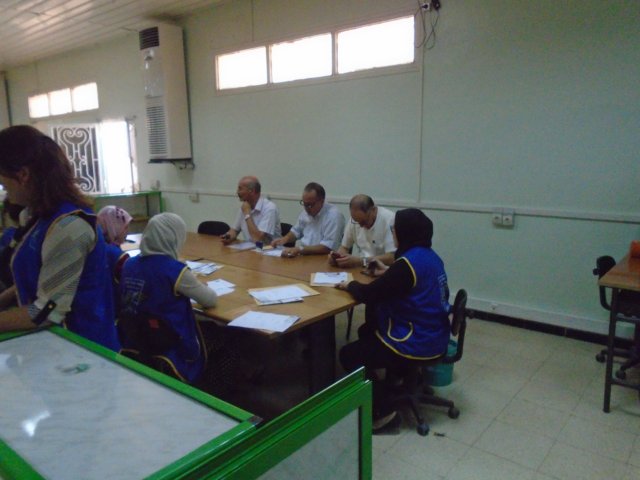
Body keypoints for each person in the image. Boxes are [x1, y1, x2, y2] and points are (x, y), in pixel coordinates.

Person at [0, 125, 120, 351]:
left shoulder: (70, 227)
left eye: (3, 180)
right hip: (51, 345)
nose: (4, 189)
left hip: (84, 351)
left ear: (23, 175)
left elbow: (44, 312)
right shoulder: (37, 216)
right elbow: (39, 279)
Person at [336, 208, 451, 432]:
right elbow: (408, 281)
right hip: (436, 334)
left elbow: (369, 294)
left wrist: (350, 284)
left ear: (405, 232)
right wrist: (388, 272)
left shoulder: (406, 265)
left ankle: (383, 411)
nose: (393, 233)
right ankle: (399, 377)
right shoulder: (429, 256)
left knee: (348, 354)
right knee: (368, 330)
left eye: (394, 229)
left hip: (416, 340)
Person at [119, 212, 218, 383]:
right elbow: (210, 300)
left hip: (134, 340)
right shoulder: (174, 270)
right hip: (171, 346)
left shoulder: (129, 264)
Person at [271, 182, 345, 257]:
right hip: (304, 255)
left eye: (310, 205)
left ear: (322, 201)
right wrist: (284, 239)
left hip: (323, 258)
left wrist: (300, 249)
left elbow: (328, 247)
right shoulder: (306, 212)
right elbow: (296, 231)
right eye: (304, 204)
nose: (306, 208)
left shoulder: (334, 216)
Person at [329, 194, 396, 269]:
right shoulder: (355, 220)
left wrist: (361, 261)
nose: (360, 226)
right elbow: (344, 247)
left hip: (383, 270)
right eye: (357, 221)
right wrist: (338, 258)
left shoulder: (389, 220)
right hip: (361, 268)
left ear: (373, 210)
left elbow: (391, 257)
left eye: (364, 221)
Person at [221, 176, 281, 244]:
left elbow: (258, 240)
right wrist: (228, 236)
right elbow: (235, 230)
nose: (237, 192)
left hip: (269, 249)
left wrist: (247, 214)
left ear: (251, 191)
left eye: (240, 189)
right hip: (250, 248)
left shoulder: (270, 208)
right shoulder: (245, 206)